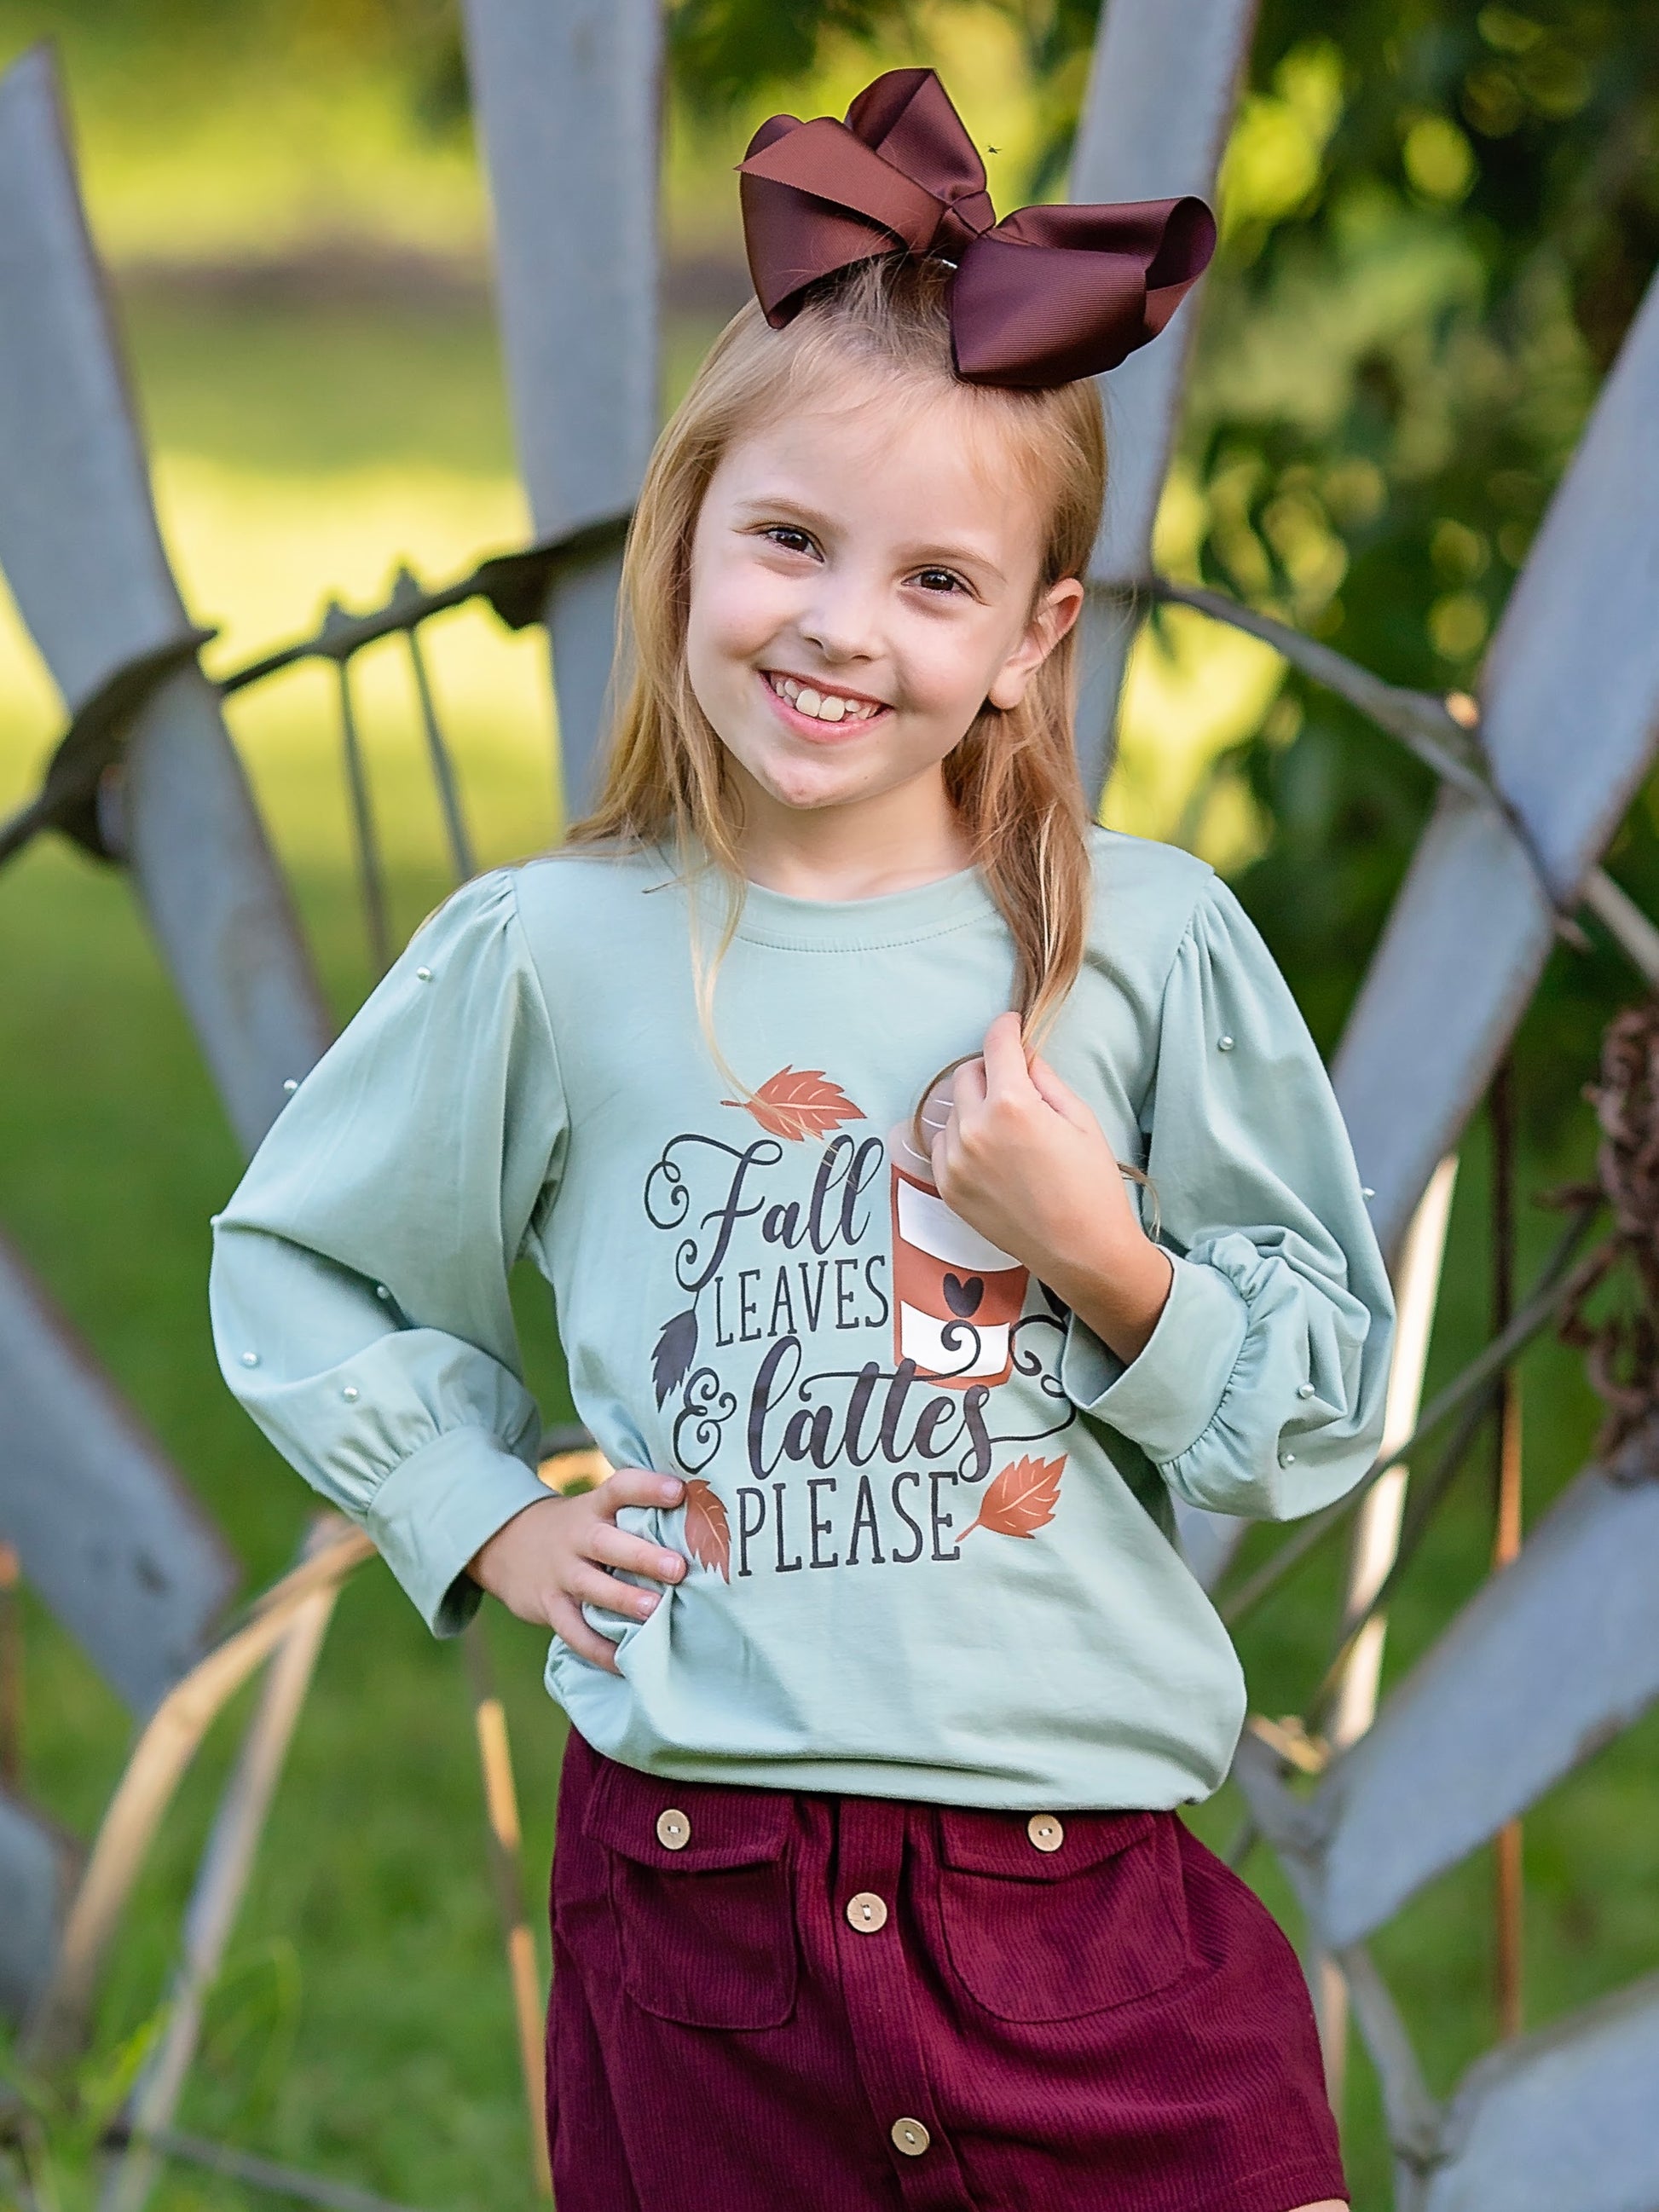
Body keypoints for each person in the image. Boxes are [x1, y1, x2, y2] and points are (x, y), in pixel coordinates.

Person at [210, 67, 1392, 2212]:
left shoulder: (1142, 943)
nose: (844, 625)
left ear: (1036, 642)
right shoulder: (555, 948)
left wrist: (1099, 1248)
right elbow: (292, 1256)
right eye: (788, 539)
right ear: (684, 542)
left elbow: (1312, 1414)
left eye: (935, 577)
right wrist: (478, 1508)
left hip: (1083, 1913)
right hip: (703, 1897)